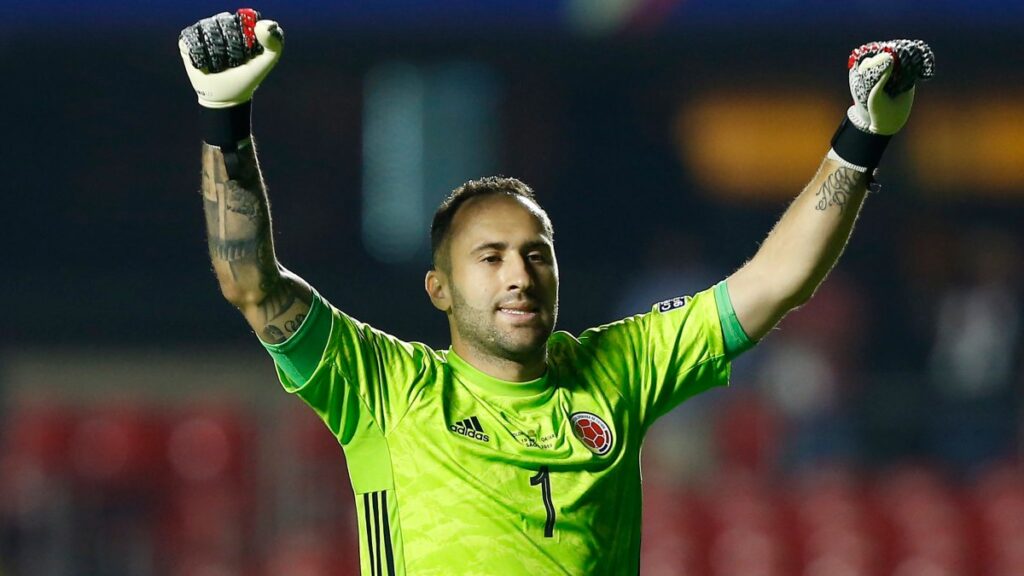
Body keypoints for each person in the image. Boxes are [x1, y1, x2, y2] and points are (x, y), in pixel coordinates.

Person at [178, 10, 933, 575]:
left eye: (536, 254)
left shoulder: (618, 369)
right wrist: (224, 119)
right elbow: (251, 283)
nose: (519, 273)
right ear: (438, 288)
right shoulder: (384, 387)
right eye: (491, 256)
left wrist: (864, 134)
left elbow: (775, 281)